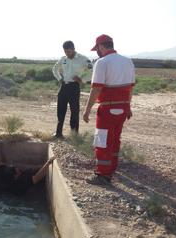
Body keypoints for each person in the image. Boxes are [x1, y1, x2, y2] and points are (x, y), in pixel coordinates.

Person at [82, 34, 135, 185]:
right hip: (123, 107)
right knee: (115, 139)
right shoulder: (128, 61)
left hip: (107, 109)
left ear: (101, 47)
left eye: (97, 49)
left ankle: (103, 175)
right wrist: (128, 106)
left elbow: (96, 89)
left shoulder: (102, 62)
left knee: (102, 140)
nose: (97, 52)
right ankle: (111, 168)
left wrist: (87, 110)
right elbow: (131, 87)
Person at [52, 41, 92, 137]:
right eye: (66, 52)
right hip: (64, 86)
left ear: (74, 49)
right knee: (60, 110)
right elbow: (55, 69)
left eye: (69, 51)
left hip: (74, 87)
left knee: (74, 111)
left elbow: (92, 70)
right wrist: (60, 78)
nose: (67, 54)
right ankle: (58, 133)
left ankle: (74, 135)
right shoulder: (63, 59)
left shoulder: (83, 59)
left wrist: (82, 79)